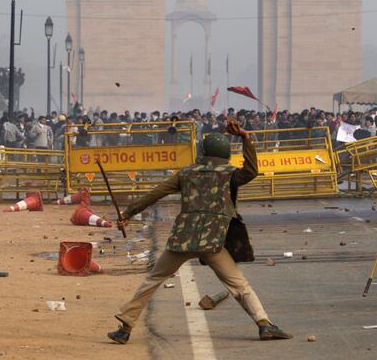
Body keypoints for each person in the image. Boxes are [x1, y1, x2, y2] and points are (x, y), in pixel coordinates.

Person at [107, 118, 292, 344]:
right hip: (213, 240)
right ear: (224, 153)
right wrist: (245, 137)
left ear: (202, 152)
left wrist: (128, 213)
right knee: (239, 285)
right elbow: (252, 170)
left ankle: (125, 326)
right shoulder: (230, 174)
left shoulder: (185, 173)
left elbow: (156, 193)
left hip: (183, 238)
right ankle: (264, 324)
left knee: (154, 279)